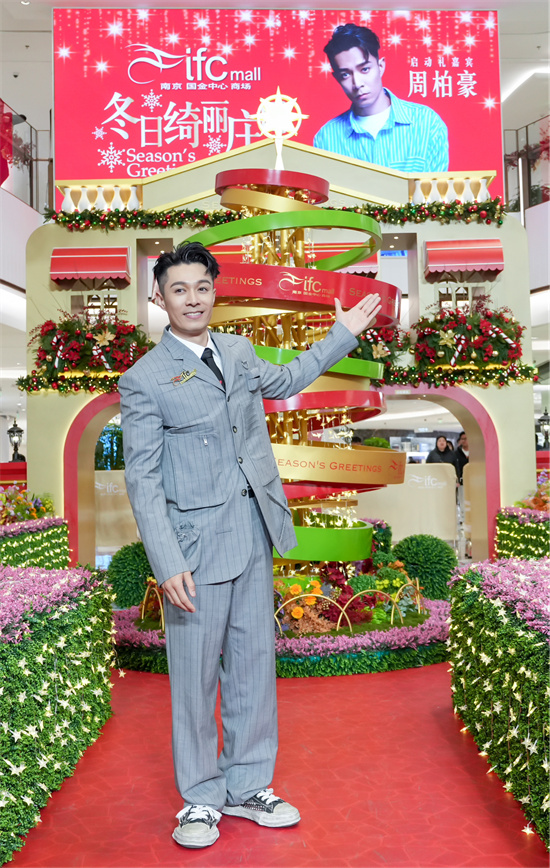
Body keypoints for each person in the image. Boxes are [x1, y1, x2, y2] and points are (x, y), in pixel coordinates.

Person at [118, 241, 381, 850]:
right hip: (193, 554)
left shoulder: (237, 351)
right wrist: (167, 562)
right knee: (193, 681)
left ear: (215, 291)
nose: (192, 299)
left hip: (254, 534)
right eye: (179, 289)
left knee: (254, 670)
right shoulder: (144, 379)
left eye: (202, 287)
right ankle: (200, 796)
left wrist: (340, 334)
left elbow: (287, 379)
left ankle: (248, 785)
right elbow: (142, 480)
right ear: (159, 297)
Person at [313, 23, 449, 173]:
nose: (357, 83)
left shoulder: (427, 122)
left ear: (380, 67)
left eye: (365, 69)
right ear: (337, 78)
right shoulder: (326, 138)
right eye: (345, 75)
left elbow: (435, 187)